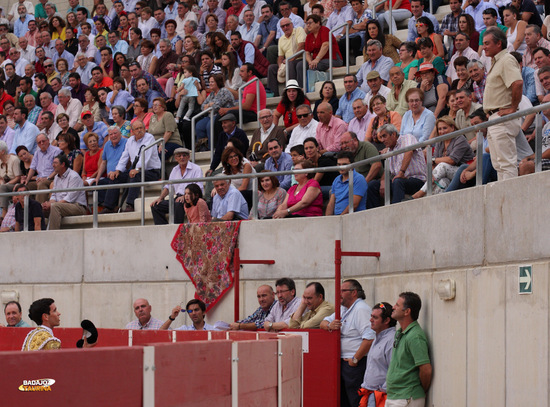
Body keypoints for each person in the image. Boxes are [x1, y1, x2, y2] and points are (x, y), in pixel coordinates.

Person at [320, 279, 375, 407]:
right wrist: (329, 325)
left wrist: (354, 360)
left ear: (354, 293)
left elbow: (369, 339)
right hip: (344, 363)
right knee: (343, 400)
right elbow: (323, 322)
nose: (339, 294)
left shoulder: (361, 309)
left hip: (356, 364)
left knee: (356, 400)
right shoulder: (343, 309)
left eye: (342, 291)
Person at [483, 26, 523, 180]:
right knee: (499, 164)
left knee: (506, 163)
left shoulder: (506, 59)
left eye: (487, 43)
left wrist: (513, 107)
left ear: (498, 44)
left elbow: (517, 83)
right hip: (494, 117)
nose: (484, 47)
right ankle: (504, 199)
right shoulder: (496, 61)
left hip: (502, 117)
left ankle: (510, 201)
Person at [100, 120, 161, 213]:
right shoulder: (130, 141)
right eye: (137, 129)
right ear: (132, 131)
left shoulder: (149, 138)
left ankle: (130, 205)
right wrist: (118, 170)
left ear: (145, 129)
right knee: (115, 177)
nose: (139, 130)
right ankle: (110, 206)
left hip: (152, 171)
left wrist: (137, 169)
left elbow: (146, 157)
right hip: (136, 170)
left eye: (141, 128)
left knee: (135, 175)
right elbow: (124, 157)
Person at [386, 292, 432, 407]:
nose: (393, 307)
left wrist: (420, 390)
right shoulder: (399, 332)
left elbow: (426, 370)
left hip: (407, 397)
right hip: (395, 396)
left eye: (397, 305)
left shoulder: (415, 336)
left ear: (407, 311)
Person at [366, 124, 427, 207]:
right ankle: (375, 215)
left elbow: (409, 152)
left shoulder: (407, 138)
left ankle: (396, 212)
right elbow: (387, 170)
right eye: (381, 137)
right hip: (399, 182)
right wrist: (383, 181)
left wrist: (401, 172)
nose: (382, 140)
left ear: (393, 134)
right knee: (373, 185)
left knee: (398, 181)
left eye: (384, 136)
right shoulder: (389, 150)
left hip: (417, 181)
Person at [412, 116, 474, 198]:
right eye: (440, 129)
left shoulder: (460, 139)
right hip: (447, 175)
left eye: (445, 128)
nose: (442, 131)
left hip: (464, 171)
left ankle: (420, 193)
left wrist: (434, 160)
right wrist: (433, 175)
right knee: (442, 182)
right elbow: (434, 163)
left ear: (452, 127)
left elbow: (451, 160)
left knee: (442, 165)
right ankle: (432, 202)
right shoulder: (440, 141)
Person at [357, 302, 397, 407]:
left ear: (387, 320)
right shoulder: (377, 337)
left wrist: (382, 391)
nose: (370, 320)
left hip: (380, 396)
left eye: (375, 317)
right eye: (371, 316)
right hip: (370, 395)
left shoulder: (391, 340)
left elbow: (394, 370)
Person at [150, 147, 203, 225]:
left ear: (188, 157)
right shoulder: (175, 170)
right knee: (156, 206)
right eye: (179, 156)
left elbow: (198, 187)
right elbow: (168, 186)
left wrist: (185, 196)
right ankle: (163, 228)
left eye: (184, 155)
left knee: (178, 204)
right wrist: (160, 198)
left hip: (191, 199)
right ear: (175, 158)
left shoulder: (196, 169)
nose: (182, 158)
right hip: (177, 198)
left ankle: (177, 228)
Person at [42, 153, 87, 229]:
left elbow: (70, 198)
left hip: (77, 206)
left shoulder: (74, 176)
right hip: (61, 205)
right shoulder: (56, 177)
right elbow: (54, 195)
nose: (53, 165)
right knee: (39, 207)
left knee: (55, 207)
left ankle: (52, 234)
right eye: (53, 163)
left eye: (55, 163)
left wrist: (53, 204)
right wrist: (49, 203)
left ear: (63, 164)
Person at [296, 14, 342, 89]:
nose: (308, 25)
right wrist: (310, 61)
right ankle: (301, 88)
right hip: (317, 60)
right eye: (307, 23)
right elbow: (307, 52)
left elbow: (325, 45)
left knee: (314, 66)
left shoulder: (324, 30)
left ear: (318, 23)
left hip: (333, 59)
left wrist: (316, 59)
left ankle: (311, 88)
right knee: (300, 65)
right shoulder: (309, 36)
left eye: (310, 23)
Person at [325, 150, 367, 216]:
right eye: (339, 164)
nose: (341, 167)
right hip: (338, 219)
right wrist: (328, 220)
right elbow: (331, 203)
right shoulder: (336, 180)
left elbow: (354, 205)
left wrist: (340, 219)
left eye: (345, 164)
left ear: (352, 164)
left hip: (354, 219)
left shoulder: (359, 179)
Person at [25, 133, 61, 203]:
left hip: (52, 178)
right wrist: (27, 180)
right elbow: (32, 168)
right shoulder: (37, 153)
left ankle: (40, 210)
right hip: (39, 179)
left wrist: (48, 178)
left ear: (48, 140)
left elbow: (58, 169)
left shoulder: (56, 151)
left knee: (42, 184)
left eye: (43, 141)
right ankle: (27, 210)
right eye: (39, 142)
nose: (42, 143)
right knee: (25, 187)